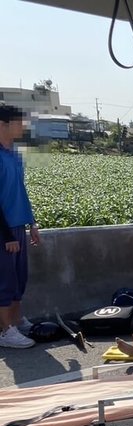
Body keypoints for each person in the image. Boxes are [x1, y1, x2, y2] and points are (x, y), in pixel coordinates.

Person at [0, 105, 40, 349]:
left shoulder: (14, 154)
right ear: (2, 124)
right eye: (18, 122)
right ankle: (5, 331)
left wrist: (31, 222)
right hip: (3, 230)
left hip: (18, 225)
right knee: (4, 280)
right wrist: (6, 234)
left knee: (18, 279)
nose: (23, 126)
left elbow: (20, 193)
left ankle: (15, 320)